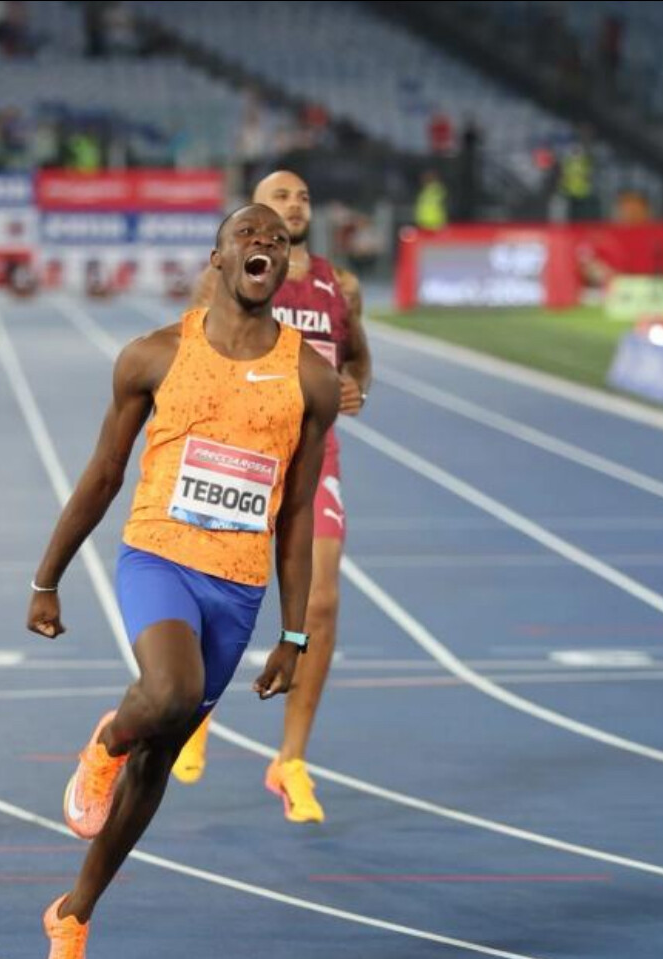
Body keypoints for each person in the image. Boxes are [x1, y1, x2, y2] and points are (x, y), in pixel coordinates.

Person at [27, 204, 340, 958]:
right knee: (168, 693)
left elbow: (297, 515)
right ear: (219, 258)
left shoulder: (310, 378)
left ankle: (74, 913)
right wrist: (47, 576)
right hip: (159, 556)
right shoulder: (155, 355)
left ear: (284, 263)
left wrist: (294, 634)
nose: (265, 242)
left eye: (277, 238)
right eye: (248, 234)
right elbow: (104, 473)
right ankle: (106, 741)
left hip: (238, 587)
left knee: (160, 757)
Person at [172, 170, 372, 825]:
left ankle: (290, 759)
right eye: (279, 196)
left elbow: (357, 360)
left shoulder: (341, 286)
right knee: (219, 588)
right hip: (242, 448)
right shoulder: (230, 273)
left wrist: (354, 386)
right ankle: (196, 710)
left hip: (314, 451)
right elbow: (192, 350)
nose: (294, 204)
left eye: (303, 197)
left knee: (322, 598)